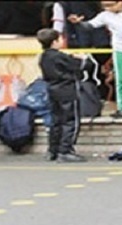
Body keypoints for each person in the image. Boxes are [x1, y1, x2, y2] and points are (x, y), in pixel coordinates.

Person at [37, 28, 86, 162]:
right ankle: (65, 150)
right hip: (67, 90)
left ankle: (53, 150)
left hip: (52, 90)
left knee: (55, 121)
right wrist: (82, 58)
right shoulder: (59, 56)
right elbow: (77, 66)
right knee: (70, 121)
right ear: (54, 42)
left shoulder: (44, 56)